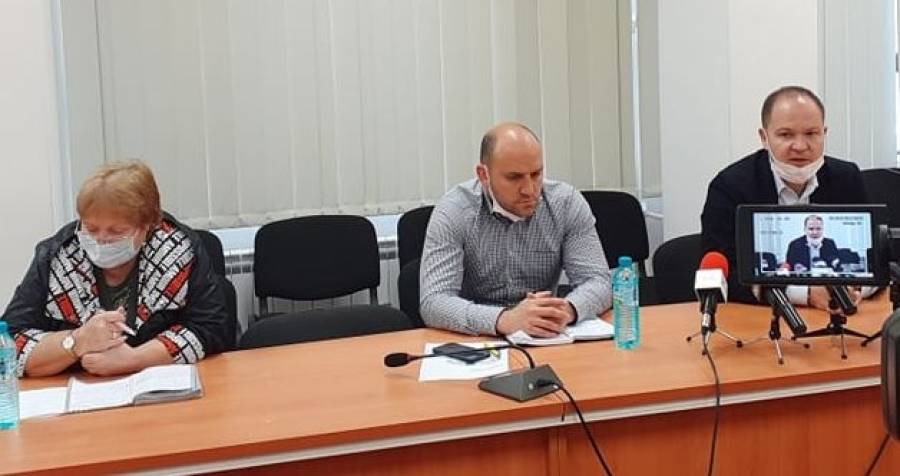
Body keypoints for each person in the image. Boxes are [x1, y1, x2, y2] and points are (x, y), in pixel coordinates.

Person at [2, 161, 228, 377]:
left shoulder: (177, 250)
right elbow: (8, 342)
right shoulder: (57, 256)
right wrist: (76, 342)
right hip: (77, 389)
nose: (101, 240)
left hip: (158, 388)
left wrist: (135, 359)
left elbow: (211, 329)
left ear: (147, 226)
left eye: (116, 231)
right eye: (91, 228)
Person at [419, 122, 611, 337]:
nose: (529, 189)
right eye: (514, 177)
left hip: (545, 335)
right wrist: (503, 319)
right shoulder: (454, 210)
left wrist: (566, 310)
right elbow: (434, 302)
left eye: (536, 174)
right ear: (484, 175)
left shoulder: (565, 203)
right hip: (479, 339)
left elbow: (599, 281)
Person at [701, 86, 868, 310]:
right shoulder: (730, 187)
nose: (800, 146)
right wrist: (803, 294)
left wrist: (855, 288)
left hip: (841, 314)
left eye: (811, 133)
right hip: (760, 318)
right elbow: (720, 273)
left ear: (824, 133)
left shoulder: (847, 177)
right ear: (764, 137)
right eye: (786, 135)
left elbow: (874, 258)